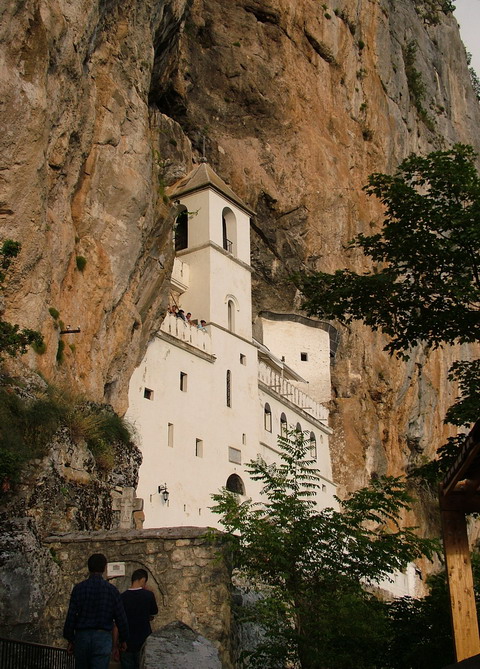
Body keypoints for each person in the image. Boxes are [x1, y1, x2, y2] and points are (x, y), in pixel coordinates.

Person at [63, 553, 129, 669]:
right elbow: (121, 618)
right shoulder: (112, 591)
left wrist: (70, 639)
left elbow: (71, 616)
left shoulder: (79, 589)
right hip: (102, 637)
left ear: (89, 568)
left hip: (82, 636)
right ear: (104, 568)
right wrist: (123, 639)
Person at [118, 569, 158, 669]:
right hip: (143, 641)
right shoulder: (148, 596)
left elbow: (117, 622)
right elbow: (154, 611)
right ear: (143, 580)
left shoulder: (122, 597)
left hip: (126, 642)